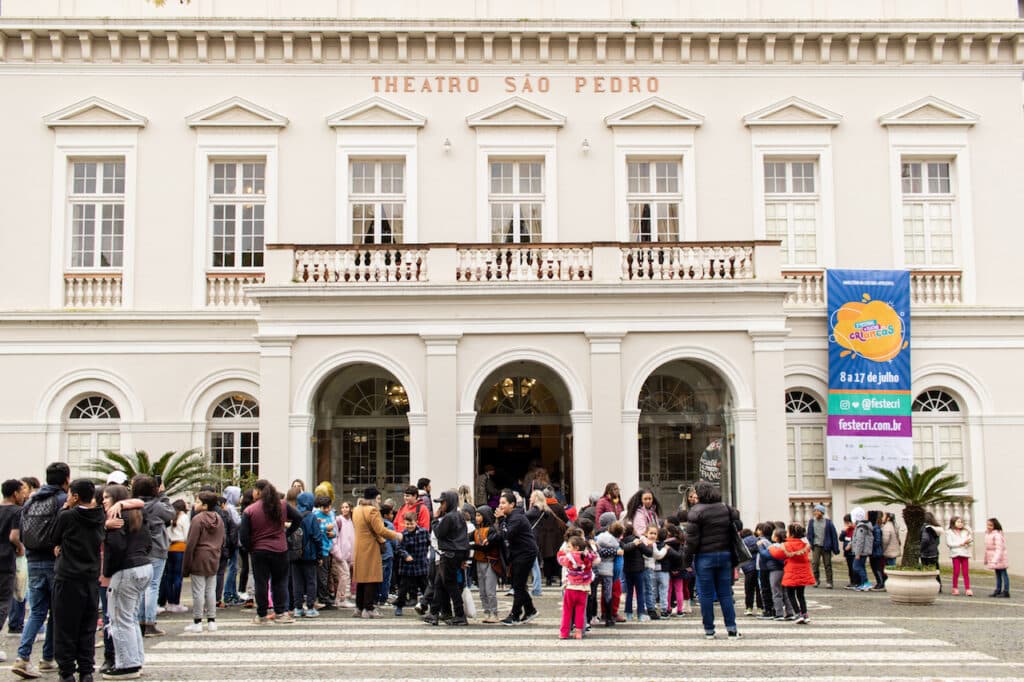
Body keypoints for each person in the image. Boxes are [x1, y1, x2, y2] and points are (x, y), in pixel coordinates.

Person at [13, 462, 70, 679]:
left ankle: (22, 657)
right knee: (56, 611)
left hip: (33, 559)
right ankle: (48, 658)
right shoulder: (62, 500)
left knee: (36, 612)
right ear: (66, 479)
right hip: (55, 561)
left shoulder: (31, 501)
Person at [50, 479, 105, 682]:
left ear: (74, 496)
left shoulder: (67, 515)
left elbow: (53, 537)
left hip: (67, 576)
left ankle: (66, 671)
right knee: (87, 626)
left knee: (65, 626)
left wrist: (66, 507)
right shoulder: (100, 515)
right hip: (91, 577)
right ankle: (86, 670)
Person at [102, 484, 151, 680]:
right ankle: (135, 660)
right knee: (129, 618)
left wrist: (109, 571)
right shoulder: (138, 514)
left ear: (115, 499)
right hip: (143, 566)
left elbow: (116, 546)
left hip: (125, 570)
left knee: (119, 620)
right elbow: (148, 542)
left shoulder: (116, 517)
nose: (103, 500)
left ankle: (127, 665)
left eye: (106, 497)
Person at [682, 481, 743, 639]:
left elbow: (691, 541)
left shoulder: (696, 511)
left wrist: (686, 561)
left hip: (704, 557)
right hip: (725, 554)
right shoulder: (725, 508)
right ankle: (732, 629)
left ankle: (709, 629)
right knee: (725, 594)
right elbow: (738, 524)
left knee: (706, 595)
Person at [239, 479, 303, 624]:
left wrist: (251, 547)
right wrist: (286, 533)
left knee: (261, 582)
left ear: (258, 492)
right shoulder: (282, 505)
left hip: (259, 550)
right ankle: (281, 613)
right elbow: (298, 517)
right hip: (280, 549)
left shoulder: (250, 510)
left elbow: (243, 536)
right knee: (280, 581)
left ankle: (261, 615)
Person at [131, 475, 174, 638]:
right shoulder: (158, 506)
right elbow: (170, 513)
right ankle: (150, 622)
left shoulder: (134, 505)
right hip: (157, 548)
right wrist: (163, 494)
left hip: (139, 549)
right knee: (153, 585)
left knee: (141, 586)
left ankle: (141, 621)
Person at [351, 488, 403, 618]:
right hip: (370, 548)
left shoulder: (356, 510)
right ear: (373, 499)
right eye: (378, 499)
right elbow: (380, 530)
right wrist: (396, 535)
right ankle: (369, 608)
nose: (379, 502)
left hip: (359, 547)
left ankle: (359, 607)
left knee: (361, 579)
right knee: (371, 578)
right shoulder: (373, 511)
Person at [489, 490, 539, 626]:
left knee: (518, 584)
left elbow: (506, 534)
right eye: (500, 503)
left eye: (504, 503)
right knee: (519, 584)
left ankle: (515, 615)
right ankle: (530, 610)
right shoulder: (509, 517)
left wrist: (500, 519)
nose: (500, 506)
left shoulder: (517, 517)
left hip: (526, 553)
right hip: (517, 553)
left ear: (512, 504)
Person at [426, 490, 470, 626]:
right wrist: (465, 558)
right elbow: (464, 539)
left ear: (449, 502)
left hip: (449, 554)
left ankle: (460, 615)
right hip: (457, 553)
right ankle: (433, 613)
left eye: (442, 502)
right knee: (439, 583)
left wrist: (434, 519)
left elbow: (439, 533)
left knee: (450, 585)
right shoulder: (459, 516)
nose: (441, 505)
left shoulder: (449, 517)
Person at [183, 491, 225, 633]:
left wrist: (186, 565)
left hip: (199, 556)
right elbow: (222, 539)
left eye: (198, 502)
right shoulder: (219, 518)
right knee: (210, 590)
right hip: (214, 555)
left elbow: (191, 543)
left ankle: (197, 621)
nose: (195, 504)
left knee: (198, 591)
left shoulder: (198, 519)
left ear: (205, 505)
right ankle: (212, 620)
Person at [769, 523, 816, 624]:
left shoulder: (787, 545)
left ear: (791, 533)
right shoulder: (805, 544)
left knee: (791, 594)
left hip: (791, 572)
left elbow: (777, 554)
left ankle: (798, 613)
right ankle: (805, 614)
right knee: (801, 595)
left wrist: (771, 548)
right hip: (803, 571)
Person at [0, 479, 27, 652]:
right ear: (15, 494)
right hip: (5, 561)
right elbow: (13, 536)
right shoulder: (17, 511)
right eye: (22, 492)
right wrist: (20, 547)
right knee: (3, 602)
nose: (24, 496)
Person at [289, 492, 324, 618]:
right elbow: (317, 537)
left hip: (294, 554)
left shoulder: (293, 515)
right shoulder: (311, 517)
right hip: (309, 554)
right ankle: (310, 607)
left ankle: (298, 608)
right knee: (311, 581)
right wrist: (319, 555)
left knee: (297, 581)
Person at [556, 535, 598, 640]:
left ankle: (564, 633)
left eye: (569, 546)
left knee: (567, 611)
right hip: (583, 589)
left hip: (571, 588)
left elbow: (561, 560)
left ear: (576, 547)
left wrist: (561, 552)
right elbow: (596, 559)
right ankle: (579, 632)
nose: (568, 548)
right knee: (580, 612)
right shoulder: (587, 556)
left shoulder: (569, 557)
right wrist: (593, 547)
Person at [393, 511, 430, 617]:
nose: (409, 526)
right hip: (407, 566)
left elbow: (429, 543)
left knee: (426, 588)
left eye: (411, 524)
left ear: (416, 522)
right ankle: (399, 606)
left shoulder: (424, 532)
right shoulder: (403, 534)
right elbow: (398, 548)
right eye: (407, 524)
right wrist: (405, 555)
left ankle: (431, 607)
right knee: (403, 589)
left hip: (421, 564)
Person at [471, 505, 501, 623]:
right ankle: (486, 612)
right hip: (479, 561)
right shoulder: (476, 530)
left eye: (479, 515)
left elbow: (487, 547)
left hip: (490, 561)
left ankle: (494, 613)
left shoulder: (491, 530)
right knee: (482, 590)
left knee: (490, 590)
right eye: (476, 515)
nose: (477, 517)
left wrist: (473, 546)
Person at [158, 500, 189, 614]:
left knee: (168, 576)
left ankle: (168, 601)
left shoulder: (169, 516)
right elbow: (187, 535)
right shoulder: (184, 517)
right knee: (178, 577)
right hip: (180, 548)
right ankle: (175, 602)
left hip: (169, 548)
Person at [805, 504, 840, 589]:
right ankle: (816, 580)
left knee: (827, 564)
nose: (816, 512)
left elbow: (833, 535)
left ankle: (829, 582)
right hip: (816, 545)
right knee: (815, 563)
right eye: (815, 511)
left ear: (822, 512)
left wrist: (835, 548)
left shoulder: (828, 522)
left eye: (817, 511)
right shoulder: (811, 522)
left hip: (826, 546)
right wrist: (810, 544)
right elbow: (809, 534)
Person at [312, 495, 336, 609]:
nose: (326, 510)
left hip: (328, 547)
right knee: (322, 576)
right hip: (320, 549)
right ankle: (323, 599)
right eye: (324, 508)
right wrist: (326, 528)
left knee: (326, 575)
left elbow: (334, 531)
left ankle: (325, 597)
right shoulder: (316, 515)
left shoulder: (331, 514)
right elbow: (316, 530)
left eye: (328, 507)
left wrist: (333, 534)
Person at [220, 486, 243, 606]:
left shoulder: (228, 507)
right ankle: (228, 593)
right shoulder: (230, 508)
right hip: (233, 542)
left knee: (234, 568)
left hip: (232, 541)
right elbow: (237, 523)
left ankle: (233, 593)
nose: (240, 497)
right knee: (233, 568)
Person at [331, 501, 355, 608]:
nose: (344, 509)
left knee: (345, 577)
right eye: (342, 507)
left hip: (348, 554)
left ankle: (341, 598)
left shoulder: (351, 522)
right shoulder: (338, 520)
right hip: (339, 554)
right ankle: (341, 599)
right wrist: (337, 553)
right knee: (344, 575)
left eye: (346, 507)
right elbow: (334, 538)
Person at [946, 515, 973, 596]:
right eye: (958, 522)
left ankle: (968, 589)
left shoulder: (966, 531)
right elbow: (949, 543)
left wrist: (967, 543)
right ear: (953, 523)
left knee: (965, 572)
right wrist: (960, 544)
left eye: (961, 522)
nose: (960, 523)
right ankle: (955, 588)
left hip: (965, 553)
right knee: (956, 571)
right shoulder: (949, 532)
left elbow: (971, 542)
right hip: (955, 554)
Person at [984, 518, 1009, 598]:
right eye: (988, 525)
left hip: (1000, 559)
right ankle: (998, 590)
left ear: (995, 526)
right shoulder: (988, 534)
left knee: (1003, 574)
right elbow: (987, 549)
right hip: (994, 558)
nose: (988, 527)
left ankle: (1006, 591)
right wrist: (987, 559)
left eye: (991, 525)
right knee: (998, 575)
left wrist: (995, 560)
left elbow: (999, 549)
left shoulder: (997, 535)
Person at [850, 507, 874, 591]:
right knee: (861, 567)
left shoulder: (861, 527)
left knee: (856, 566)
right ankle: (863, 583)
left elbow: (860, 541)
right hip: (862, 551)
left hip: (861, 552)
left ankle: (866, 582)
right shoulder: (862, 526)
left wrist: (857, 553)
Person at [920, 512, 943, 593]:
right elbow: (938, 542)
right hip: (934, 552)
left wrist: (920, 548)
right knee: (936, 570)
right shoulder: (936, 528)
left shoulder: (925, 528)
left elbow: (925, 539)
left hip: (926, 553)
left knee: (926, 571)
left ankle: (928, 586)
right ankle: (938, 586)